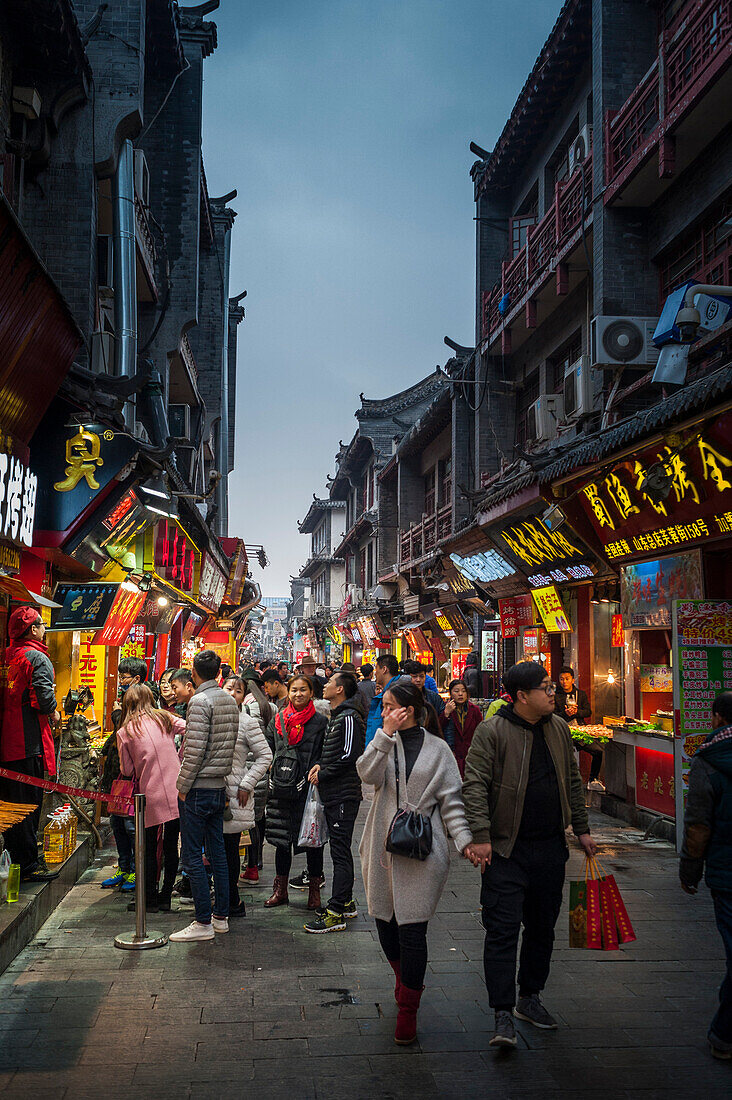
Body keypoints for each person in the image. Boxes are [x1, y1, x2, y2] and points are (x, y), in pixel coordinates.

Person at [463, 662, 596, 1048]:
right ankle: (502, 1013)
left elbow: (572, 781)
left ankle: (529, 998)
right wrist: (481, 836)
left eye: (552, 687)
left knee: (542, 929)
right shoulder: (493, 731)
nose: (553, 693)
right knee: (502, 931)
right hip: (506, 850)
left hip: (551, 847)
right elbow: (474, 785)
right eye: (545, 688)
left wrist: (582, 830)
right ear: (522, 696)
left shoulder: (558, 728)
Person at [357, 681, 473, 1045]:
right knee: (386, 926)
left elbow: (452, 801)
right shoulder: (383, 742)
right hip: (382, 848)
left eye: (391, 706)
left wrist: (465, 840)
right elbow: (367, 775)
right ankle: (402, 978)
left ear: (410, 710)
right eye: (385, 706)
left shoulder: (438, 750)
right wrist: (385, 735)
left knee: (413, 931)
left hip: (423, 852)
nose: (386, 711)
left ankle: (409, 1008)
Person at [169, 649, 240, 943]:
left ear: (195, 674)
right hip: (219, 786)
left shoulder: (199, 701)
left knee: (192, 856)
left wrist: (182, 786)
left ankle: (202, 921)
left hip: (198, 788)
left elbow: (194, 750)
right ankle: (220, 917)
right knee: (218, 853)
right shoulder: (229, 699)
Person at [679, 691, 732, 1060]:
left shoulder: (710, 759)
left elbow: (698, 825)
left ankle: (725, 1033)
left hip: (727, 874)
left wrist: (689, 870)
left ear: (715, 718)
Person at [0, 606, 60, 882]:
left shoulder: (6, 655)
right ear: (33, 629)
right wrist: (55, 712)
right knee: (28, 804)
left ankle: (14, 860)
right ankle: (26, 865)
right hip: (27, 742)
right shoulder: (36, 657)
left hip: (6, 743)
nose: (44, 629)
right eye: (42, 624)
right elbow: (44, 699)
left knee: (10, 804)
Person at [304, 671, 366, 933]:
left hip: (344, 793)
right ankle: (346, 902)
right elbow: (334, 753)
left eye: (330, 683)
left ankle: (337, 910)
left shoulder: (350, 717)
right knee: (339, 849)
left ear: (340, 689)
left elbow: (349, 755)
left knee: (340, 851)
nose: (325, 685)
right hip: (334, 792)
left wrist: (324, 773)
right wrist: (320, 764)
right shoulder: (338, 716)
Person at [116, 684, 186, 912]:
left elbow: (126, 771)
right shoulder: (163, 718)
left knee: (146, 847)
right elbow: (191, 728)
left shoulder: (125, 732)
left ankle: (149, 898)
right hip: (177, 788)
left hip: (150, 794)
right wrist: (180, 755)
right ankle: (166, 895)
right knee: (170, 845)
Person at [263, 675, 327, 911]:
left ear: (311, 693)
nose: (298, 694)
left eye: (303, 690)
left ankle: (314, 891)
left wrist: (319, 765)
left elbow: (324, 750)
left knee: (313, 840)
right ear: (288, 692)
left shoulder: (320, 721)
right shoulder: (278, 719)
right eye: (294, 690)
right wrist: (270, 764)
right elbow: (267, 745)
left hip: (308, 789)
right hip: (281, 787)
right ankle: (280, 891)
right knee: (281, 841)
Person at [222, 676, 273, 916]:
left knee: (230, 849)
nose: (232, 693)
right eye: (228, 688)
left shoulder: (248, 722)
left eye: (238, 690)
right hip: (209, 794)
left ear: (244, 696)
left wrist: (247, 783)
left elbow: (265, 756)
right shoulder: (212, 718)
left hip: (234, 796)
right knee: (213, 851)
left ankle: (231, 900)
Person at [240, 674, 273, 882]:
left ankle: (251, 863)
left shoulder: (246, 711)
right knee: (258, 819)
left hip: (247, 773)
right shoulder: (268, 707)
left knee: (248, 821)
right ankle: (256, 860)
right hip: (261, 772)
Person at [554, 666, 603, 792]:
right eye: (561, 679)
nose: (564, 682)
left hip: (580, 731)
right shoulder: (555, 696)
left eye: (567, 679)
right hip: (563, 732)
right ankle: (564, 782)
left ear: (573, 680)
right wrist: (566, 714)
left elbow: (588, 712)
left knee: (598, 750)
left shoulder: (580, 694)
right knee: (566, 756)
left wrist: (576, 712)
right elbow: (552, 716)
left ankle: (593, 779)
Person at [440, 679, 483, 777]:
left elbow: (480, 731)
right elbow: (439, 728)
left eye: (463, 691)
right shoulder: (445, 709)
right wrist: (446, 713)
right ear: (450, 693)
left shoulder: (474, 710)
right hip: (452, 754)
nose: (460, 694)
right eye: (456, 691)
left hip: (471, 754)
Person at [365, 654, 406, 746]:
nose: (375, 673)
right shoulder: (385, 693)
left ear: (384, 669)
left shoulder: (396, 693)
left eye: (376, 669)